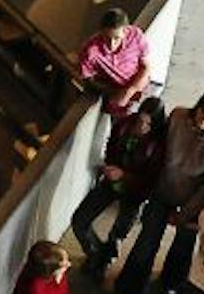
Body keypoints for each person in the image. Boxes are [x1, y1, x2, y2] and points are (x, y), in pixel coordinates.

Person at [114, 91, 204, 294]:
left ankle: (171, 284)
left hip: (193, 202)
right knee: (145, 244)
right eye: (202, 112)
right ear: (197, 106)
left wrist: (184, 213)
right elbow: (158, 150)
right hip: (162, 191)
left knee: (182, 247)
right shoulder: (178, 117)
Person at [69, 99, 166, 275]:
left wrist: (124, 175)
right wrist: (109, 166)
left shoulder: (158, 144)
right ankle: (96, 255)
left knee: (117, 235)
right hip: (111, 182)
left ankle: (103, 262)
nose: (143, 127)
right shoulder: (124, 125)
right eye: (141, 121)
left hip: (136, 193)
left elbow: (152, 179)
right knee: (79, 220)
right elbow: (111, 146)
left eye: (148, 124)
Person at [71, 8, 153, 117]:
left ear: (125, 31)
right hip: (114, 96)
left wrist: (130, 91)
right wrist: (112, 92)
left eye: (117, 38)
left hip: (140, 86)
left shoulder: (136, 36)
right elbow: (87, 79)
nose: (112, 45)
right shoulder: (90, 50)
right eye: (107, 38)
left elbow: (146, 67)